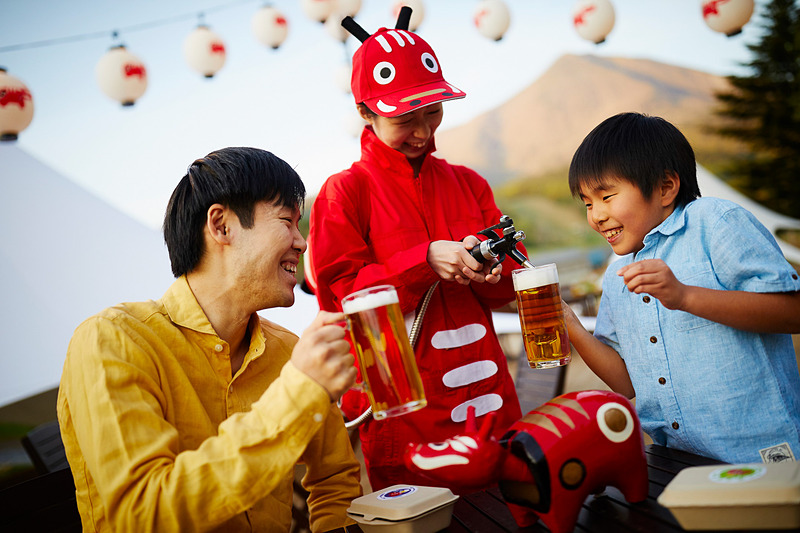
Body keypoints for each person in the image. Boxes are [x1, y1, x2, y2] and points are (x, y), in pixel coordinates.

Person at [57, 147, 362, 532]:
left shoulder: (289, 349)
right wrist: (299, 393)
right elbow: (144, 513)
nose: (302, 243)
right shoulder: (112, 340)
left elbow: (335, 479)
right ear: (221, 226)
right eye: (287, 221)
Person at [306, 8, 524, 491]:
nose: (424, 131)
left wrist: (492, 264)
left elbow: (505, 288)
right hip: (403, 415)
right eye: (406, 118)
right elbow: (340, 299)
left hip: (490, 398)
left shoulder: (469, 183)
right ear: (365, 112)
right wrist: (423, 261)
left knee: (510, 510)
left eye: (433, 112)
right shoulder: (344, 193)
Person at [565, 112, 800, 464]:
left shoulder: (714, 222)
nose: (596, 215)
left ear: (665, 187)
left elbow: (793, 312)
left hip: (757, 454)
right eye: (587, 203)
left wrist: (685, 296)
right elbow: (627, 384)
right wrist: (569, 324)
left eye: (607, 196)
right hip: (675, 460)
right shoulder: (617, 276)